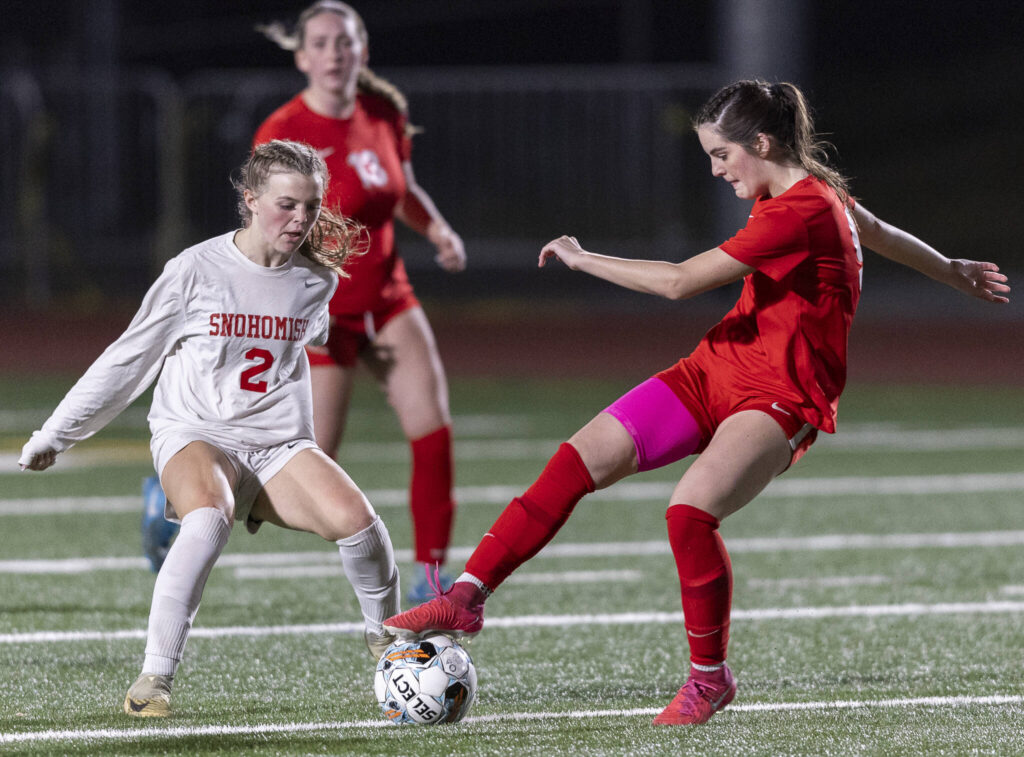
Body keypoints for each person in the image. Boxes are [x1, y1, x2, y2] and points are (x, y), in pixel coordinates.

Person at [382, 80, 1010, 725]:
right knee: (578, 459)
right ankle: (465, 598)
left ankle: (708, 679)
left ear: (761, 143)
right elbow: (876, 229)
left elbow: (680, 282)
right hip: (715, 369)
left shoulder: (800, 211)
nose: (714, 170)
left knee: (689, 513)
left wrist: (580, 257)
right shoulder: (808, 197)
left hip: (780, 396)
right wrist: (952, 269)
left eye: (721, 154)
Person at [20, 140, 402, 718]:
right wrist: (56, 433)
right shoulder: (195, 270)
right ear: (249, 200)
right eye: (285, 205)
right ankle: (154, 679)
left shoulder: (315, 282)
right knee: (207, 518)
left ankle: (390, 648)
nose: (299, 220)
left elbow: (312, 332)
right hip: (197, 432)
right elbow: (129, 359)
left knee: (362, 527)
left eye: (310, 207)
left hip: (278, 444)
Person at [141, 1, 466, 604]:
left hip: (390, 299)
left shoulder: (384, 111)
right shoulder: (283, 128)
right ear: (301, 56)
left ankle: (432, 577)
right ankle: (174, 492)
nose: (334, 54)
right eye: (321, 43)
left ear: (362, 50)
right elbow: (265, 228)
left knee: (434, 432)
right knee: (307, 466)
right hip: (319, 313)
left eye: (345, 42)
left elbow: (403, 187)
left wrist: (439, 230)